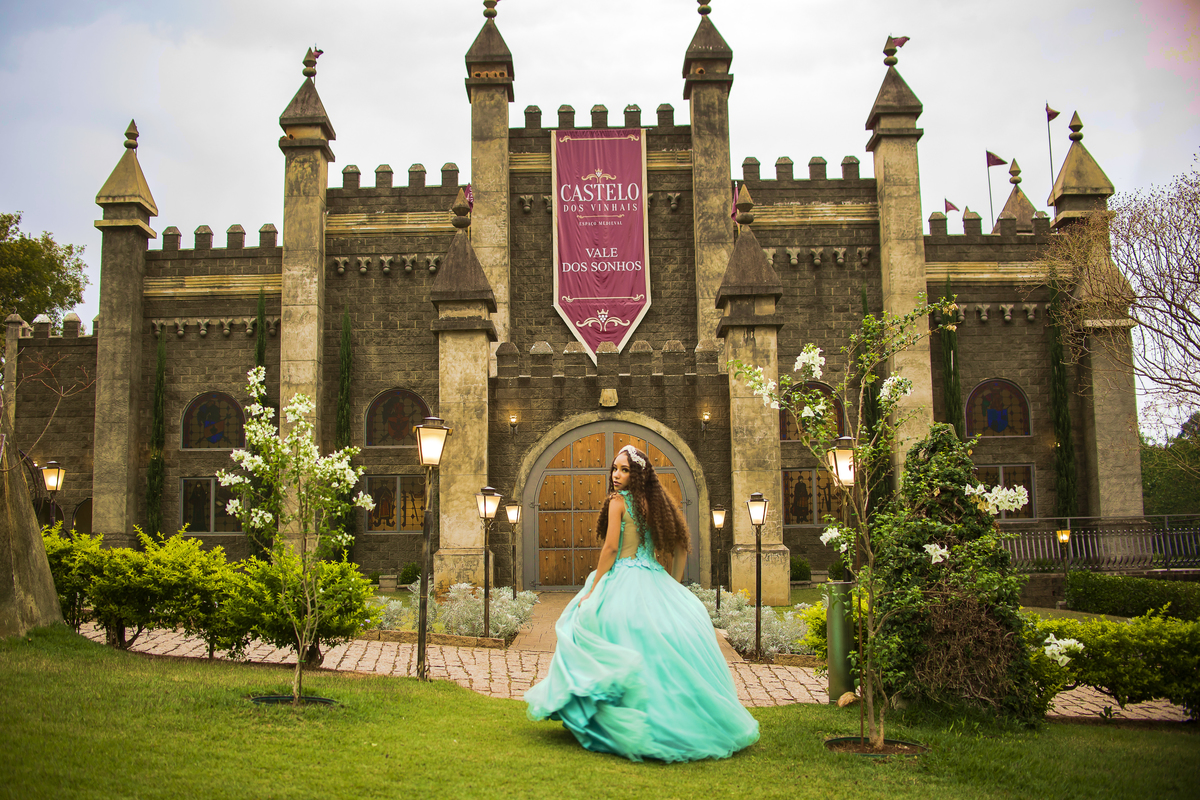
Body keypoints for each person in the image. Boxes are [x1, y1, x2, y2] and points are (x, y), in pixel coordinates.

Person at [524, 444, 759, 762]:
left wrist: (593, 587)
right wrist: (673, 585)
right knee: (654, 643)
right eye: (614, 468)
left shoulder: (618, 502)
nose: (616, 475)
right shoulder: (658, 503)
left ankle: (607, 713)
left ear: (638, 475)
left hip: (623, 575)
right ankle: (662, 710)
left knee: (584, 625)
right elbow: (680, 547)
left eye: (624, 470)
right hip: (653, 576)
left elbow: (610, 549)